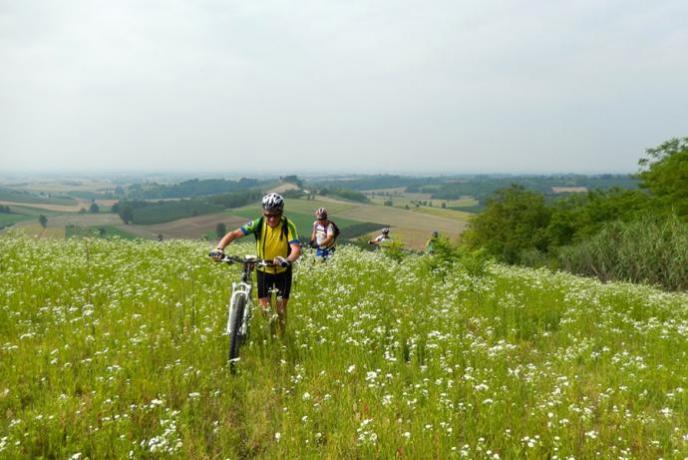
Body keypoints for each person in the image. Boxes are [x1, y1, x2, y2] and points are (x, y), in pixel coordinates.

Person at [212, 193, 301, 333]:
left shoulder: (288, 226)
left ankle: (282, 338)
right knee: (264, 309)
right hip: (263, 270)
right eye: (267, 215)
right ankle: (271, 332)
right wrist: (219, 248)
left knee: (281, 310)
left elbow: (296, 249)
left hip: (283, 272)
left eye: (275, 215)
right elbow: (234, 234)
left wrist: (287, 260)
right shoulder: (258, 223)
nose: (271, 219)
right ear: (263, 212)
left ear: (281, 213)